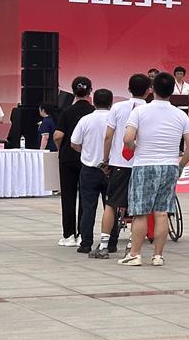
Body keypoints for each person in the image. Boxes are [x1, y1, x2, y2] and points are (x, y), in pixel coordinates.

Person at [121, 72, 189, 266]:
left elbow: (127, 139)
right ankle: (158, 256)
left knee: (140, 212)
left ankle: (135, 254)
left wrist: (137, 149)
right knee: (162, 212)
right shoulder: (180, 114)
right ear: (172, 91)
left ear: (152, 89)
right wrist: (180, 165)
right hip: (170, 165)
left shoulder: (140, 111)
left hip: (145, 165)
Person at [98, 74, 149, 257]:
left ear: (128, 89)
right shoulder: (149, 109)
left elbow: (108, 136)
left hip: (119, 163)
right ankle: (131, 245)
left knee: (111, 204)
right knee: (138, 207)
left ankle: (103, 245)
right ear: (148, 91)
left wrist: (105, 159)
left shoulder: (117, 108)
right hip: (142, 163)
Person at [70, 88, 113, 255]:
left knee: (88, 208)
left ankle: (86, 243)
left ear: (93, 102)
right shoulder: (115, 119)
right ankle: (111, 242)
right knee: (111, 207)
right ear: (111, 103)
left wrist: (86, 152)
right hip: (110, 169)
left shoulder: (86, 120)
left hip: (89, 168)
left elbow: (74, 143)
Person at [54, 76, 94, 247]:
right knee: (86, 198)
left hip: (68, 158)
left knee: (68, 196)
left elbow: (58, 136)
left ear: (73, 91)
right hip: (88, 159)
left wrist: (61, 149)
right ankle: (83, 234)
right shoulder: (93, 112)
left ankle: (69, 235)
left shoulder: (66, 112)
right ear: (90, 91)